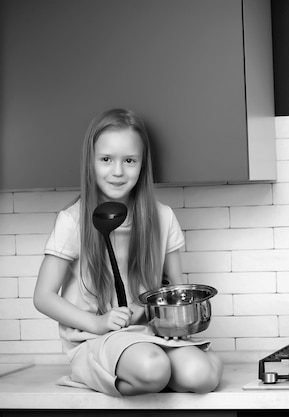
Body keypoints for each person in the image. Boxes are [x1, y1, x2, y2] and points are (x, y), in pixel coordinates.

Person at [34, 108, 223, 396]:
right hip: (95, 338)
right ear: (91, 162)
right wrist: (97, 323)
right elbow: (43, 297)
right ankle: (95, 374)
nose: (118, 171)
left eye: (130, 160)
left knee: (201, 377)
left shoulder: (163, 217)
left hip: (150, 334)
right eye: (106, 159)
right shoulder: (73, 220)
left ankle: (163, 371)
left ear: (143, 165)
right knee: (153, 368)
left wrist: (169, 314)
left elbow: (175, 289)